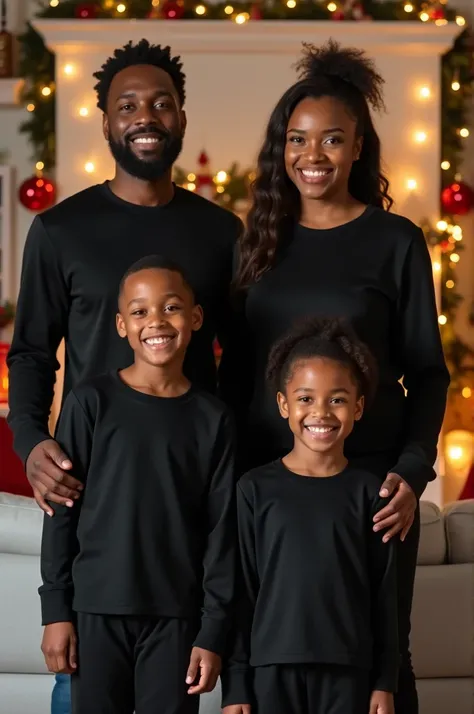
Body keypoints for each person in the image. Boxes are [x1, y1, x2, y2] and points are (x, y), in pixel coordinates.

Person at [219, 40, 450, 714]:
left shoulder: (396, 241)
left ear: (357, 148)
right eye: (297, 139)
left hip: (372, 487)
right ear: (279, 148)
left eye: (331, 140)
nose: (311, 155)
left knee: (383, 653)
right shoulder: (255, 241)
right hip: (267, 485)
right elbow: (233, 375)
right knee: (265, 644)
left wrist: (409, 474)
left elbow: (428, 375)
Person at [7, 38, 241, 516]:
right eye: (128, 106)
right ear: (107, 124)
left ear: (182, 118)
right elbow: (32, 351)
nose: (145, 117)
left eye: (162, 104)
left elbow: (245, 357)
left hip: (194, 470)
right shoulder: (59, 230)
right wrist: (31, 442)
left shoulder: (221, 232)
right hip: (91, 468)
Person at [39, 255, 237, 714]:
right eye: (140, 311)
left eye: (170, 308)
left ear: (195, 318)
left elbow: (222, 532)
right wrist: (57, 611)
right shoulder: (89, 403)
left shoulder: (214, 420)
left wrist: (213, 630)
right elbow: (61, 513)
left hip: (176, 618)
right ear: (121, 325)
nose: (156, 322)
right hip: (95, 612)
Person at [221, 318, 397, 714]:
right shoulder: (254, 490)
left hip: (349, 672)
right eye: (305, 399)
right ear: (284, 404)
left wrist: (385, 682)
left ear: (358, 406)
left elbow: (384, 597)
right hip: (270, 671)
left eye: (336, 399)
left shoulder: (372, 492)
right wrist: (236, 686)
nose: (321, 412)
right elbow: (242, 592)